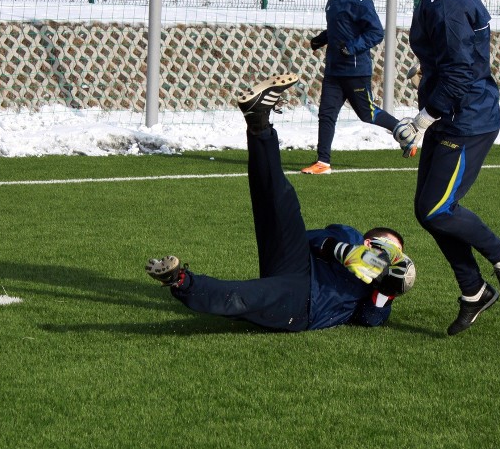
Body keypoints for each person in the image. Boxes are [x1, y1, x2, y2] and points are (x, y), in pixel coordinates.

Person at [146, 74, 416, 331]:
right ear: (370, 242)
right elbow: (307, 239)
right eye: (389, 246)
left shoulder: (374, 287)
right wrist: (343, 250)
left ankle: (180, 280)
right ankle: (259, 123)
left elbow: (368, 320)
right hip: (296, 263)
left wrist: (385, 292)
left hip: (305, 305)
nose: (390, 254)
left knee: (247, 296)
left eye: (396, 251)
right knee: (279, 198)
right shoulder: (347, 234)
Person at [387, 0, 500, 336]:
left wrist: (424, 118)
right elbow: (449, 56)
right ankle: (474, 292)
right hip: (451, 113)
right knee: (429, 212)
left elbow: (462, 71)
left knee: (435, 209)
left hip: (466, 120)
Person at [301, 0, 403, 175]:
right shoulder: (333, 1)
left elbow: (376, 32)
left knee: (367, 114)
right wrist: (321, 39)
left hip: (356, 70)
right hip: (334, 70)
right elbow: (339, 30)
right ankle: (323, 162)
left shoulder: (361, 1)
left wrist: (353, 48)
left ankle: (403, 130)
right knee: (326, 114)